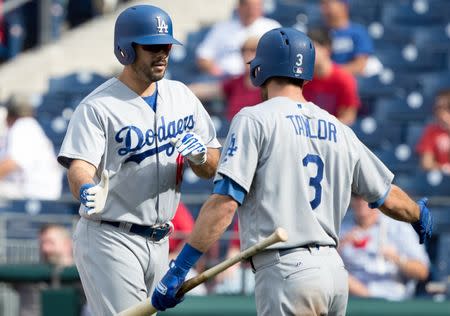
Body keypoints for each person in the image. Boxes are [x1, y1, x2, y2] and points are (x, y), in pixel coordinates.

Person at [151, 27, 433, 315]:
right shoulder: (337, 127)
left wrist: (180, 267)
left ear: (260, 69)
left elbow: (224, 205)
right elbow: (388, 196)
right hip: (334, 274)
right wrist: (417, 213)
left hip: (287, 270)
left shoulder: (253, 118)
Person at [57, 5, 221, 314]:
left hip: (160, 240)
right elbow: (80, 167)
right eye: (152, 46)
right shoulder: (98, 106)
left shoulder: (182, 95)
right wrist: (85, 189)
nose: (162, 53)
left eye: (167, 46)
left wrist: (201, 158)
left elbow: (212, 165)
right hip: (111, 235)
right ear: (126, 50)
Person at [339, 196, 430, 301]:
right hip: (351, 297)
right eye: (357, 197)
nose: (362, 202)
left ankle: (367, 295)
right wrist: (340, 246)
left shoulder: (398, 226)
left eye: (365, 196)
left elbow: (423, 271)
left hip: (391, 298)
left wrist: (397, 259)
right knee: (338, 278)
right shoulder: (341, 226)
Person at [0, 94, 62, 200]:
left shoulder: (24, 126)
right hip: (34, 190)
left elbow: (11, 163)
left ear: (10, 114)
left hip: (36, 193)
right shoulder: (29, 126)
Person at [196, 0, 280, 77]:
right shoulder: (222, 28)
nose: (251, 10)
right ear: (239, 7)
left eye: (256, 6)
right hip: (224, 78)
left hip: (258, 78)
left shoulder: (272, 27)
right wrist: (214, 70)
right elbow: (203, 55)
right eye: (248, 5)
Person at [189, 36, 262, 121]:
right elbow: (210, 90)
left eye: (253, 51)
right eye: (244, 51)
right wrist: (181, 90)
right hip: (232, 129)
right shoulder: (236, 82)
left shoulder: (269, 84)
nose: (248, 56)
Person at [15, 224, 75, 316]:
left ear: (67, 244)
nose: (45, 249)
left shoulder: (85, 278)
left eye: (50, 242)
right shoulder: (29, 275)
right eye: (42, 243)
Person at [303, 28, 360, 125]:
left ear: (327, 49)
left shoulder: (344, 79)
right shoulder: (301, 78)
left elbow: (348, 117)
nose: (307, 54)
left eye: (312, 48)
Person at [320, 0, 381, 77]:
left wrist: (331, 73)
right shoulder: (319, 33)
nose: (323, 9)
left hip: (349, 83)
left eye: (327, 4)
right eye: (322, 4)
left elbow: (360, 65)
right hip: (324, 84)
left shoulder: (359, 32)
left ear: (343, 6)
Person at [416, 88, 450, 174]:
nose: (442, 112)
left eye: (447, 107)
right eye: (438, 108)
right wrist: (445, 168)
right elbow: (426, 163)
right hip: (442, 181)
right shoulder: (431, 131)